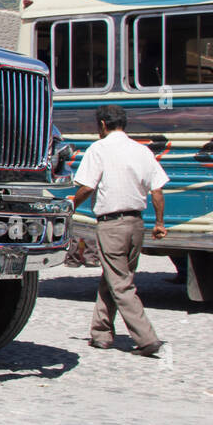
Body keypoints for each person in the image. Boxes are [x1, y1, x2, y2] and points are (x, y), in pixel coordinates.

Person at [71, 104, 168, 357]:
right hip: (137, 224)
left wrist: (71, 203)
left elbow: (87, 187)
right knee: (115, 277)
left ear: (102, 125)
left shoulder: (99, 149)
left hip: (111, 224)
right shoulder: (142, 150)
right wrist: (159, 223)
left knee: (120, 283)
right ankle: (101, 333)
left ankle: (147, 338)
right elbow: (157, 190)